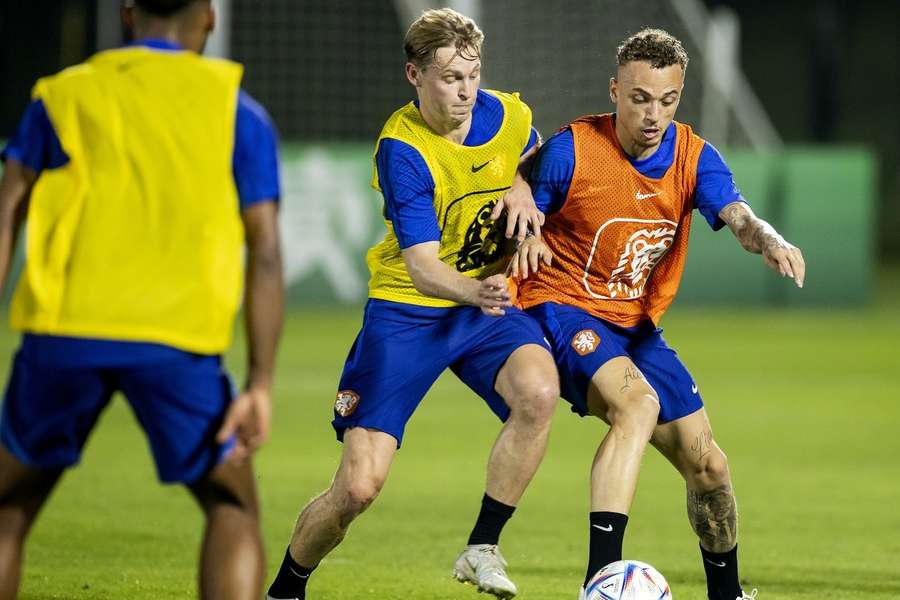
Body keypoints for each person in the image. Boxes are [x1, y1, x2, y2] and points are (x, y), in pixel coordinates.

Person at [266, 8, 558, 600]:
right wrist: (479, 289)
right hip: (409, 312)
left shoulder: (510, 116)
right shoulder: (403, 150)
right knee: (358, 489)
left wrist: (528, 198)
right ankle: (286, 588)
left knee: (538, 392)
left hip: (482, 307)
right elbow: (424, 268)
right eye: (451, 77)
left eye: (473, 73)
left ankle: (482, 547)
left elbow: (538, 159)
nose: (467, 89)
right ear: (414, 75)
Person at [0, 1, 283, 599]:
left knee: (10, 505)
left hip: (63, 330)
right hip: (175, 341)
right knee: (232, 504)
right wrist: (259, 382)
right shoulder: (237, 111)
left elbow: (6, 213)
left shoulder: (61, 95)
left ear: (128, 15)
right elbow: (266, 251)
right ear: (208, 17)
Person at [510, 28, 804, 600]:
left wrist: (766, 237)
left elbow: (738, 215)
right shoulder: (574, 150)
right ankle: (601, 581)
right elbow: (519, 211)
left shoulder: (695, 156)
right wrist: (522, 206)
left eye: (667, 100)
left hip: (637, 327)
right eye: (641, 98)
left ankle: (727, 594)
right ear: (615, 90)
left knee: (711, 468)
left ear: (680, 95)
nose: (653, 114)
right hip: (565, 308)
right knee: (637, 406)